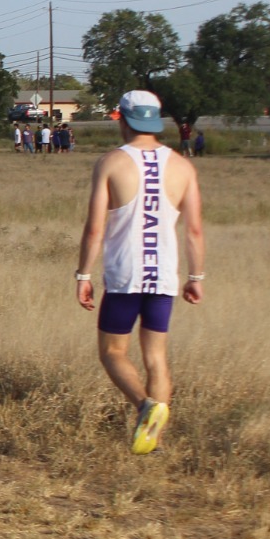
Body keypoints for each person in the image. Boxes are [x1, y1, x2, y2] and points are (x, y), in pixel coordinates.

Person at [75, 90, 205, 455]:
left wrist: (83, 276)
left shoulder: (111, 163)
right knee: (156, 358)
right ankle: (154, 442)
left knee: (113, 351)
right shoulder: (183, 166)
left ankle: (144, 405)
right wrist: (196, 278)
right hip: (163, 276)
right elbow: (194, 230)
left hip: (124, 275)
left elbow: (95, 228)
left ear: (126, 120)